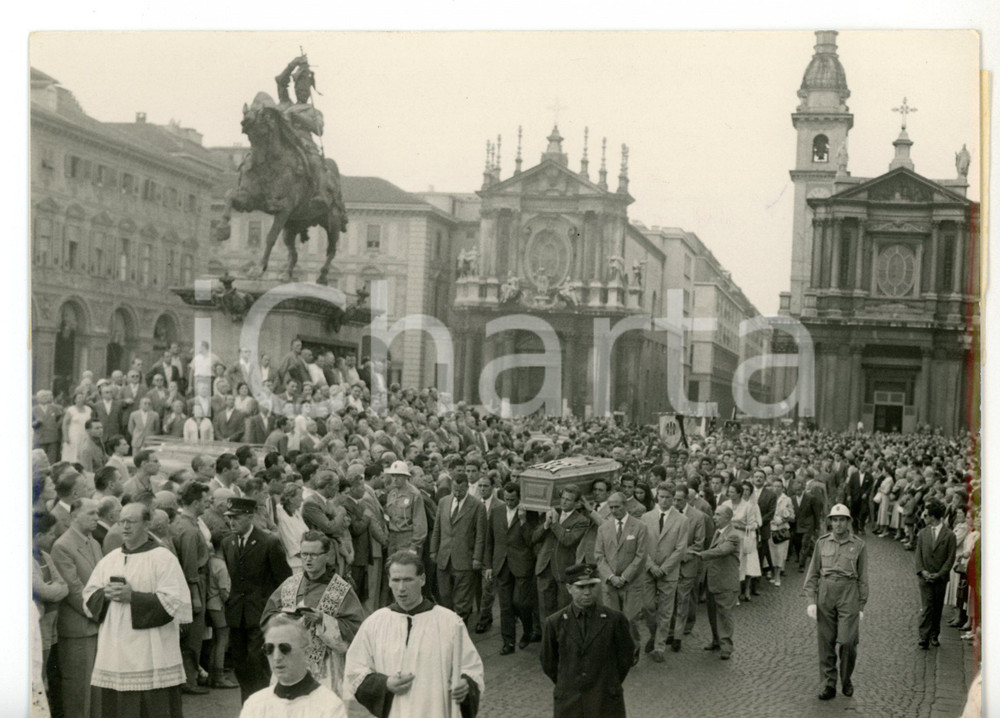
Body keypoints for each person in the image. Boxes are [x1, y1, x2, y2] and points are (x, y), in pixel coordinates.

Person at [81, 502, 192, 717]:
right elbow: (88, 596)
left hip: (152, 652)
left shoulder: (163, 558)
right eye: (121, 521)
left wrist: (133, 597)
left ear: (147, 523)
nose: (124, 526)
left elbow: (173, 602)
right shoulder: (109, 560)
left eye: (131, 521)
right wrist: (104, 594)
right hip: (115, 652)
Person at [344, 551, 484, 717]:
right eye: (396, 580)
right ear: (389, 581)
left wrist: (466, 685)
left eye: (408, 580)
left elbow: (472, 668)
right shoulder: (375, 624)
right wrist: (385, 684)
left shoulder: (450, 623)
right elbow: (355, 671)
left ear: (422, 579)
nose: (401, 588)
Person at [261, 530, 366, 698]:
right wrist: (283, 619)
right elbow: (267, 618)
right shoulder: (290, 584)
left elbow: (356, 629)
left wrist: (323, 620)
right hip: (290, 661)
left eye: (314, 555)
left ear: (327, 555)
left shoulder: (341, 589)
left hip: (325, 666)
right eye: (304, 554)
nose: (308, 559)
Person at [540, 563, 636, 718]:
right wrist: (570, 684)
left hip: (605, 700)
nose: (587, 592)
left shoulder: (615, 620)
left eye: (592, 586)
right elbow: (548, 662)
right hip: (570, 702)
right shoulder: (555, 623)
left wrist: (609, 684)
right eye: (581, 587)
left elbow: (625, 658)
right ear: (569, 588)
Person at [223, 497, 293, 703]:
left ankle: (265, 708)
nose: (231, 522)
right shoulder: (229, 543)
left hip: (262, 615)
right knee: (240, 665)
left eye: (236, 517)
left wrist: (280, 613)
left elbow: (284, 581)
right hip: (237, 615)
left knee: (258, 664)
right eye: (229, 518)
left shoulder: (269, 542)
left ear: (249, 517)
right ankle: (249, 708)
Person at [804, 504, 869, 701]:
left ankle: (846, 678)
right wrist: (811, 601)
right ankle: (828, 684)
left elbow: (863, 578)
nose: (838, 524)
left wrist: (861, 605)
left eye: (842, 519)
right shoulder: (822, 543)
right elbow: (813, 573)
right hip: (826, 591)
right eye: (834, 519)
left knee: (848, 642)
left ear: (848, 522)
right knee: (826, 642)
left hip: (848, 592)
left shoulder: (859, 545)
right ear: (830, 522)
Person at [50, 498, 103, 718]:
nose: (96, 518)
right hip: (78, 629)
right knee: (78, 690)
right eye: (90, 513)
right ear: (73, 516)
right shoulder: (62, 546)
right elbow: (74, 589)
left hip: (96, 624)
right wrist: (101, 612)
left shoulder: (94, 542)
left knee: (95, 689)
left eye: (97, 513)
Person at [239, 614, 348, 718]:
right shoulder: (254, 704)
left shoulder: (330, 706)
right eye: (269, 648)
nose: (276, 657)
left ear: (306, 652)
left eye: (285, 648)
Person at [484, 482, 538, 654]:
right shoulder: (496, 512)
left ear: (519, 497)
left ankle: (528, 630)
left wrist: (523, 521)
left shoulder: (529, 514)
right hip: (501, 563)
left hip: (522, 563)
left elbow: (531, 540)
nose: (509, 502)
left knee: (521, 602)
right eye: (506, 499)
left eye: (513, 499)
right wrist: (489, 566)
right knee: (505, 605)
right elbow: (489, 541)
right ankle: (508, 642)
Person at [594, 492, 648, 662]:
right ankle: (617, 651)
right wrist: (610, 576)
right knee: (612, 619)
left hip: (631, 582)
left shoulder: (639, 527)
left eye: (617, 507)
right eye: (611, 507)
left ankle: (633, 647)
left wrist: (624, 577)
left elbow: (641, 556)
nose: (614, 510)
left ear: (625, 505)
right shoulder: (604, 528)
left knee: (630, 618)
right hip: (610, 583)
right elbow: (599, 555)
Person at [430, 471, 487, 625]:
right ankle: (447, 623)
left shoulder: (477, 506)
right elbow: (437, 529)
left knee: (462, 599)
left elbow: (481, 535)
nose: (457, 493)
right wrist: (433, 550)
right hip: (444, 557)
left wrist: (477, 557)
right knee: (444, 594)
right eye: (454, 489)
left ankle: (460, 625)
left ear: (467, 488)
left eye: (461, 490)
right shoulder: (443, 502)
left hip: (465, 558)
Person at [640, 482, 688, 663]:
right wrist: (651, 566)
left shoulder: (682, 520)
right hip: (648, 569)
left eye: (669, 497)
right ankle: (654, 634)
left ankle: (659, 647)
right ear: (657, 497)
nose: (665, 501)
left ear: (674, 498)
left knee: (666, 611)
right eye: (662, 497)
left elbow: (680, 548)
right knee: (647, 606)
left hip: (669, 572)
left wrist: (665, 568)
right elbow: (641, 545)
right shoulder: (646, 517)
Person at [694, 504, 740, 659]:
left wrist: (702, 554)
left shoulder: (732, 535)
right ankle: (716, 640)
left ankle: (726, 646)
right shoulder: (718, 532)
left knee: (725, 614)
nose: (714, 517)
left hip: (726, 582)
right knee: (712, 613)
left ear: (728, 517)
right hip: (713, 581)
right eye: (715, 514)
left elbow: (722, 551)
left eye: (718, 515)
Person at [914, 498, 957, 649]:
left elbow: (950, 558)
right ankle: (923, 636)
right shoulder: (923, 533)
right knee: (927, 606)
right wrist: (922, 571)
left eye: (927, 515)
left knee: (937, 607)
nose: (925, 517)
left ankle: (934, 634)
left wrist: (940, 574)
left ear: (933, 516)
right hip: (924, 577)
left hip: (940, 578)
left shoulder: (949, 535)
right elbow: (918, 555)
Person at [768, 478, 794, 586]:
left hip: (782, 529)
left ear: (782, 488)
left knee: (780, 553)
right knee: (772, 553)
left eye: (779, 486)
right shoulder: (769, 498)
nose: (776, 488)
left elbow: (792, 516)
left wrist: (782, 520)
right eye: (775, 486)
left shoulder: (787, 499)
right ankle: (772, 573)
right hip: (770, 528)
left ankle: (778, 575)